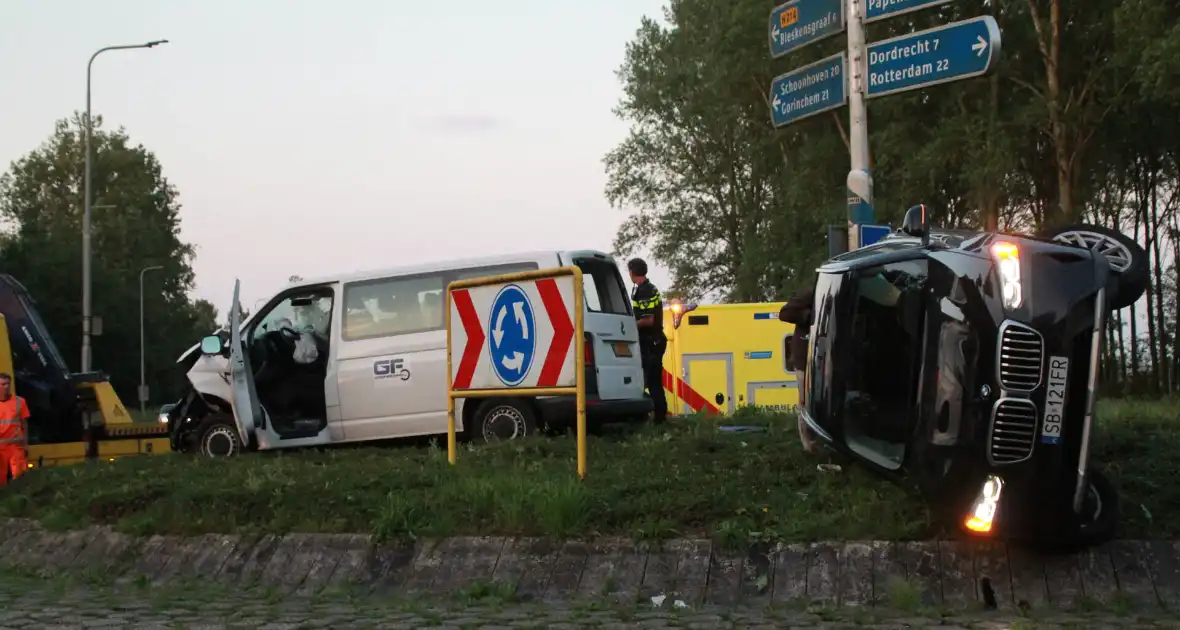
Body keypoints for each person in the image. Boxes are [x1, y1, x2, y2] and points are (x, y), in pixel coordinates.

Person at [627, 258, 668, 424]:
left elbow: (648, 320)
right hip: (654, 340)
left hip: (652, 342)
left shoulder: (645, 291)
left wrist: (630, 326)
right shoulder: (647, 288)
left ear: (632, 272)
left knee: (653, 382)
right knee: (652, 381)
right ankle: (657, 416)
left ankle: (659, 419)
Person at [0, 372, 30, 485]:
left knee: (19, 477)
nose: (6, 387)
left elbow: (25, 424)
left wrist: (26, 445)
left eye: (8, 384)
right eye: (2, 384)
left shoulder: (19, 402)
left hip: (16, 446)